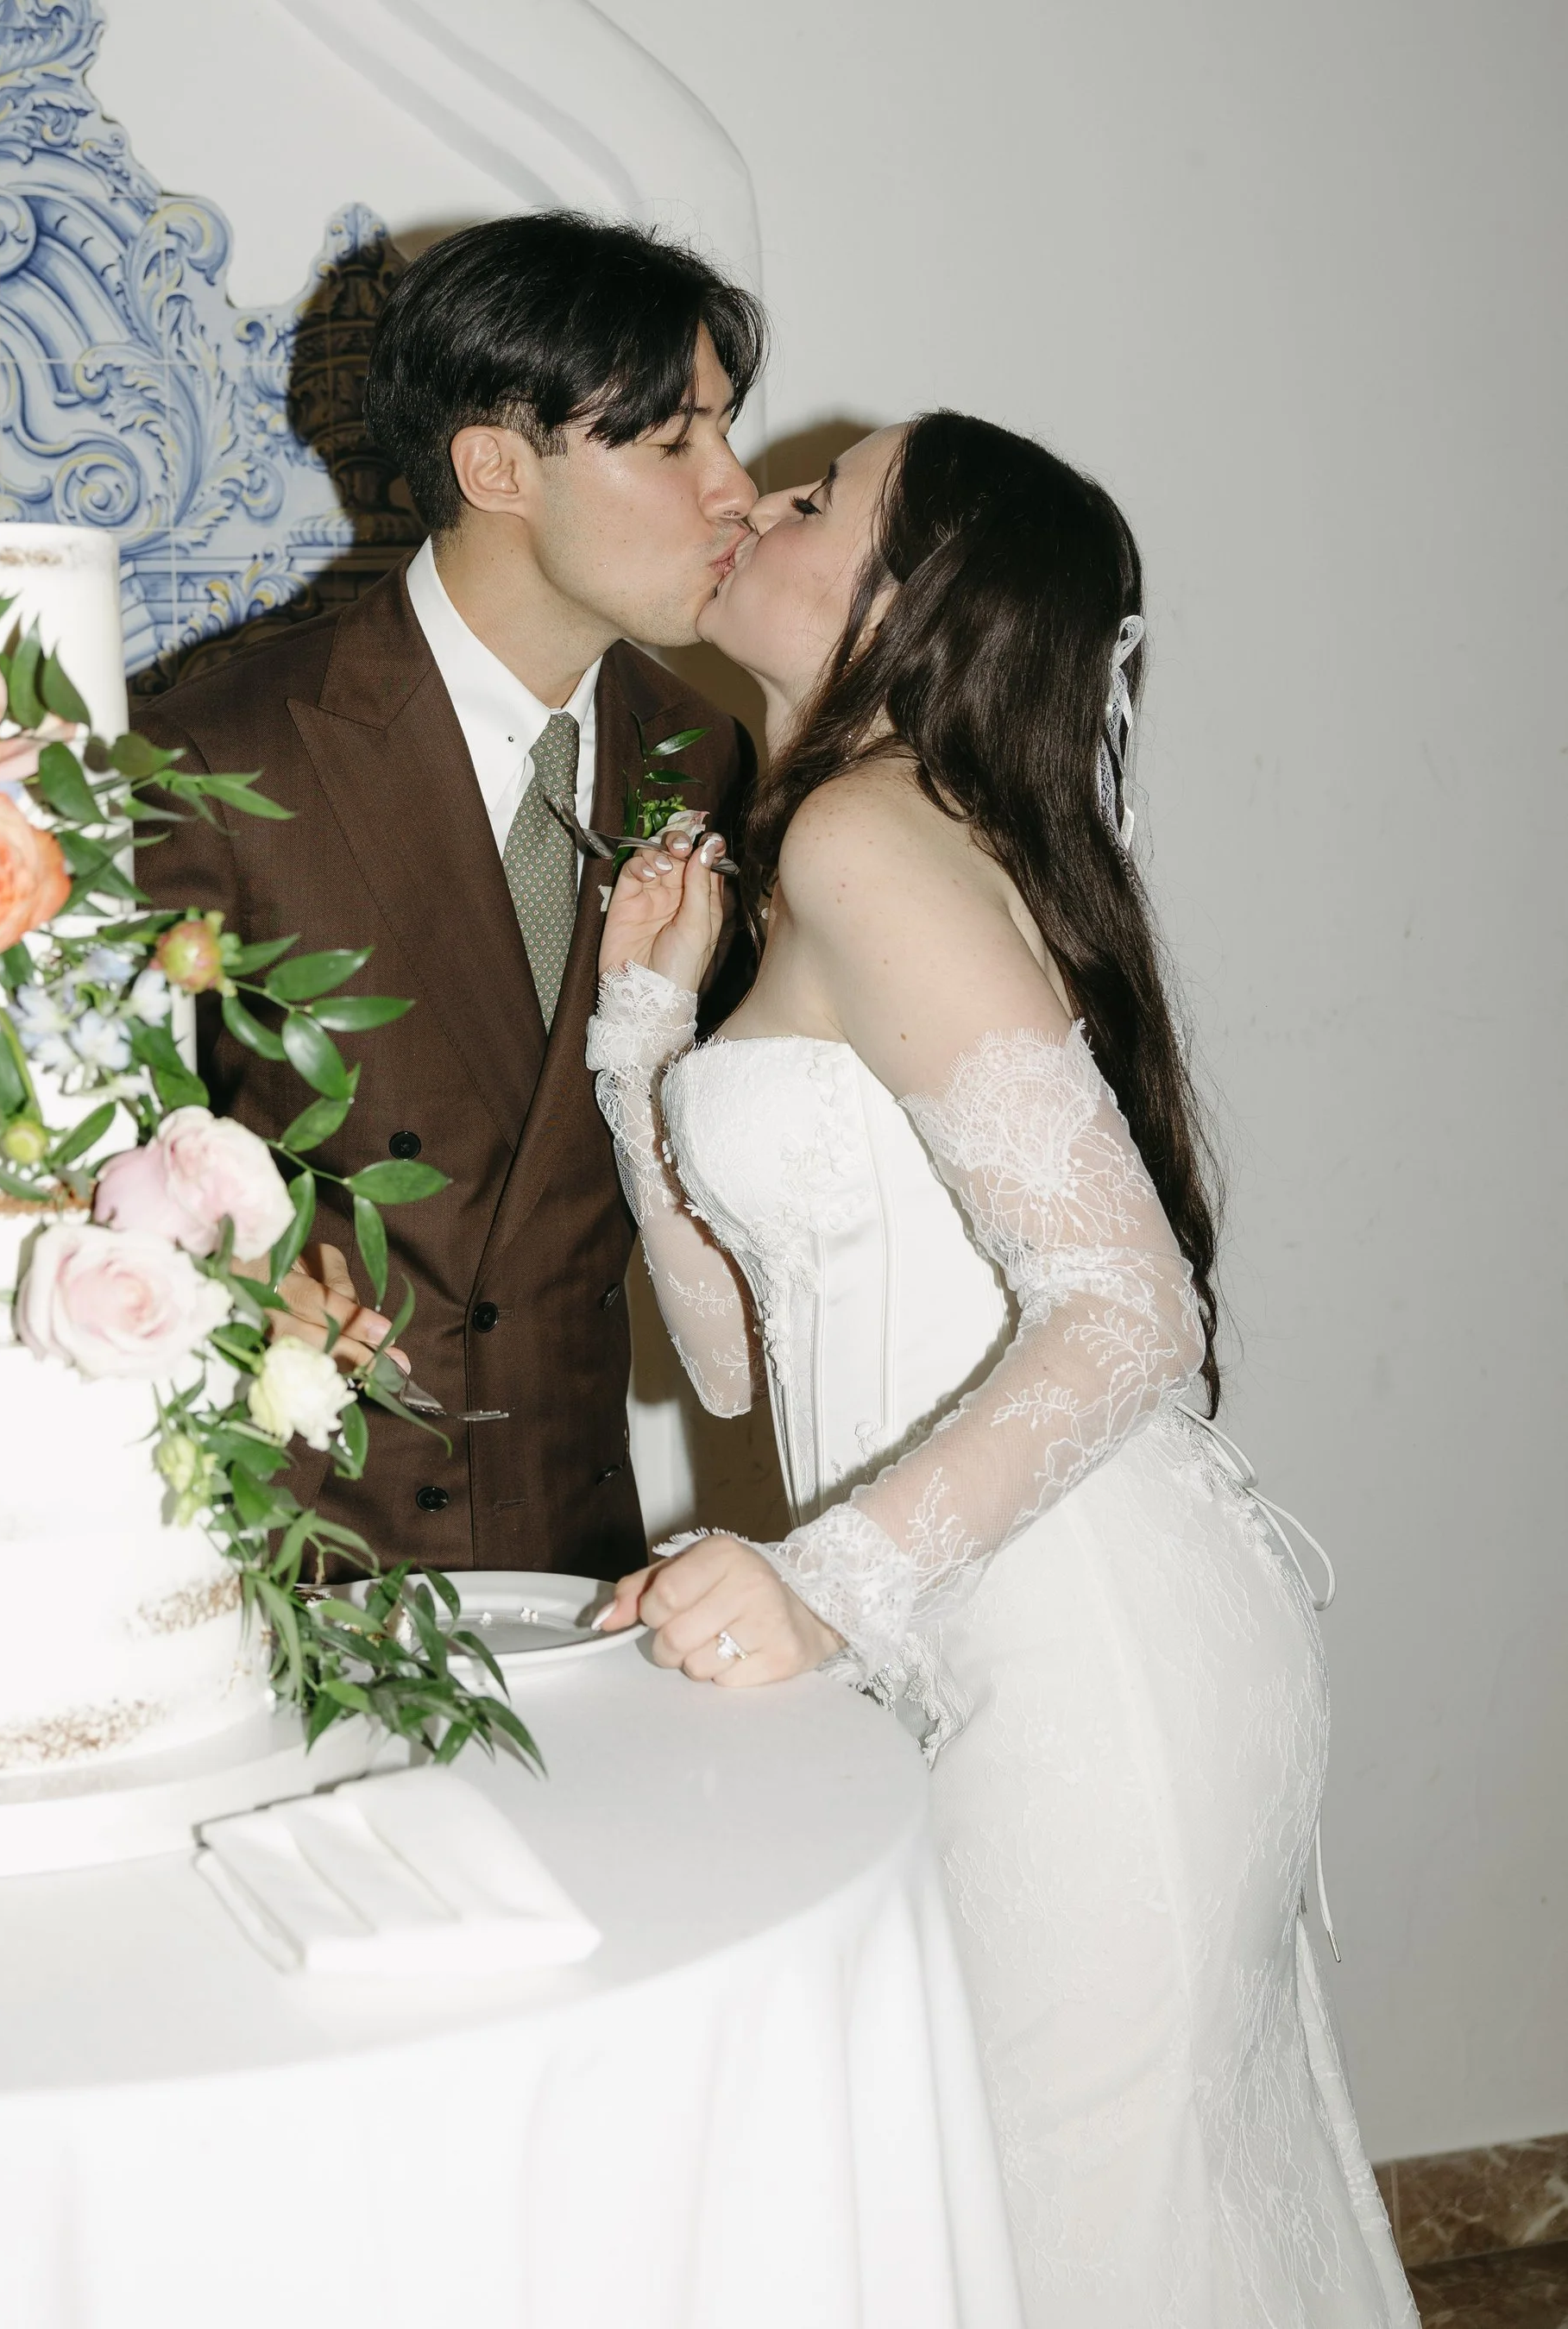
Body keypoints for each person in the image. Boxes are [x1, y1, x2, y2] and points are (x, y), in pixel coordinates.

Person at [589, 412, 1415, 2328]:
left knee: (1063, 2244)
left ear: (915, 593)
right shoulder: (839, 843)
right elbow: (725, 1355)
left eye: (813, 501)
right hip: (975, 1628)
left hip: (1083, 1654)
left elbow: (1130, 1309)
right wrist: (641, 1041)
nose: (755, 506)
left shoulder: (867, 831)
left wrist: (818, 1584)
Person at [148, 212, 764, 1579]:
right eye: (671, 444)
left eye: (725, 431)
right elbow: (92, 1150)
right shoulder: (225, 750)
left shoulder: (699, 747)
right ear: (494, 464)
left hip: (581, 1550)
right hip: (297, 1559)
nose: (734, 487)